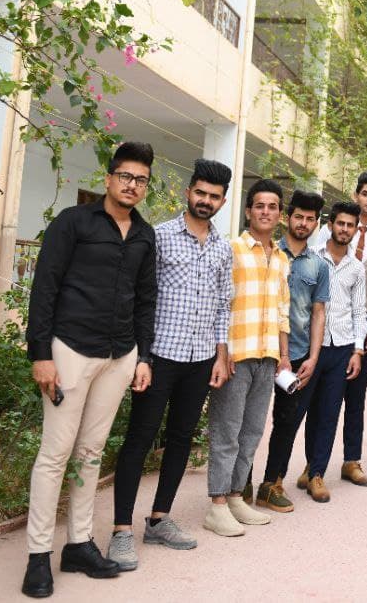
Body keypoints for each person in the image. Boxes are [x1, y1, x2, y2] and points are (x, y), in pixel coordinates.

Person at [22, 141, 157, 598]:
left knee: (91, 452)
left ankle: (78, 544)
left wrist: (143, 357)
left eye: (141, 180)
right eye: (126, 176)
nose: (132, 185)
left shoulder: (145, 235)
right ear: (109, 178)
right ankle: (38, 555)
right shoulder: (73, 222)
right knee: (55, 454)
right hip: (70, 350)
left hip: (120, 356)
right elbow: (44, 288)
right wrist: (41, 355)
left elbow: (146, 300)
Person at [109, 158, 232, 570]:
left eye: (214, 196)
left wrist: (220, 355)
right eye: (201, 193)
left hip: (200, 360)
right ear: (188, 192)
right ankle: (121, 531)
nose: (206, 201)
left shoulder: (222, 248)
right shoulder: (158, 236)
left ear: (223, 201)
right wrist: (140, 356)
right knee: (139, 439)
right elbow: (141, 298)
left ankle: (159, 519)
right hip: (159, 357)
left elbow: (223, 305)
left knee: (181, 439)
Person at [203, 179, 289, 537]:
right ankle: (217, 504)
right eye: (259, 205)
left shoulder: (281, 258)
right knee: (227, 431)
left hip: (267, 356)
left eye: (272, 206)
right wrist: (221, 352)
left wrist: (284, 356)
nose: (266, 211)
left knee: (252, 432)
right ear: (249, 211)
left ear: (279, 214)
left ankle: (236, 495)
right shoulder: (232, 249)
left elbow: (282, 311)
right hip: (236, 355)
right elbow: (219, 303)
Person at [308, 171, 367, 488]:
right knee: (319, 397)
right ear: (357, 195)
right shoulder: (329, 231)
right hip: (325, 319)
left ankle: (351, 461)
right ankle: (312, 465)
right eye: (366, 193)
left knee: (356, 396)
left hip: (363, 319)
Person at [255, 191, 329, 513]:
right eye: (299, 216)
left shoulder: (319, 265)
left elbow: (318, 313)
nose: (304, 223)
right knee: (251, 421)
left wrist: (313, 357)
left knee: (286, 422)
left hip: (297, 355)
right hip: (261, 349)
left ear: (316, 223)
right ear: (288, 217)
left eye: (310, 219)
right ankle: (239, 484)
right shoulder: (269, 253)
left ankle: (272, 483)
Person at [299, 201, 367, 502]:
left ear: (356, 230)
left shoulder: (357, 268)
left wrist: (357, 351)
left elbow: (358, 311)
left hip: (341, 348)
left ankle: (317, 474)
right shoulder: (312, 257)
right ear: (330, 225)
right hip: (311, 347)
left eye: (350, 225)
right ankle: (308, 464)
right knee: (306, 411)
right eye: (340, 223)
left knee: (329, 412)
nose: (345, 229)